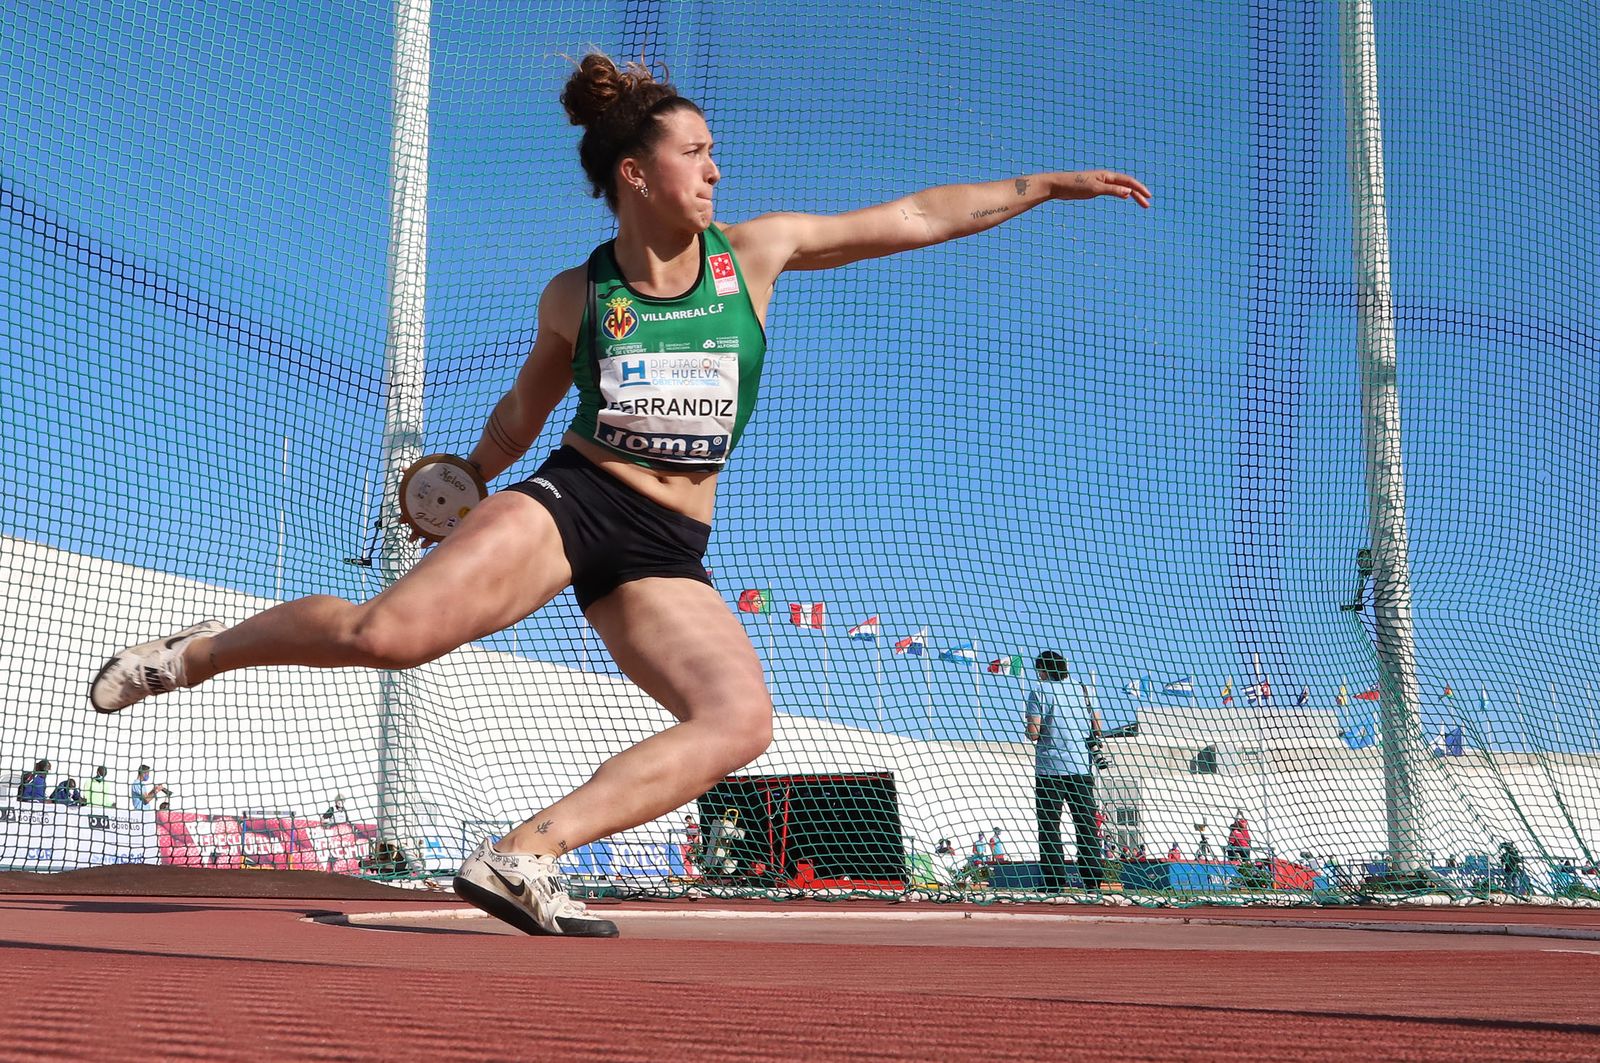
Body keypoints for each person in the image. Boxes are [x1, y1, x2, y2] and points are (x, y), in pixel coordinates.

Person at [86, 54, 1150, 937]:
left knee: (738, 722)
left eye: (715, 154)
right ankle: (190, 655)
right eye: (697, 153)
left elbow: (917, 214)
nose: (716, 172)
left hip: (667, 550)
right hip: (571, 498)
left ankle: (523, 854)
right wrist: (465, 477)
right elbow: (517, 415)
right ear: (636, 172)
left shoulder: (757, 254)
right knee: (389, 633)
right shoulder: (576, 295)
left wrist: (1044, 187)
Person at [1026, 650, 1105, 893]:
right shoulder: (1083, 689)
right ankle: (1093, 882)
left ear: (1044, 670)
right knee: (1086, 826)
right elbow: (1097, 726)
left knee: (1050, 827)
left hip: (1050, 769)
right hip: (1081, 767)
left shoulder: (1039, 691)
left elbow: (1034, 733)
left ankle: (1054, 882)